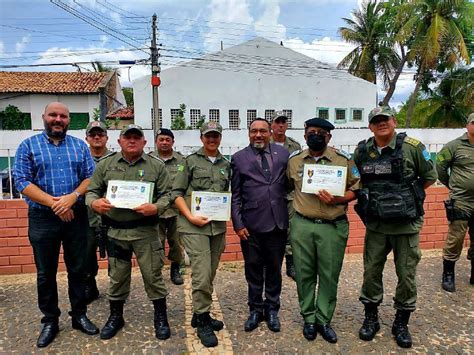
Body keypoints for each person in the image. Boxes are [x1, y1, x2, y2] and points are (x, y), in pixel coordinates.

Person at [13, 102, 98, 348]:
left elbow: (89, 177)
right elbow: (21, 180)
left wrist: (72, 198)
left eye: (63, 116)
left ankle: (79, 315)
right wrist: (55, 204)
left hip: (76, 216)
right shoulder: (28, 146)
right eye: (53, 115)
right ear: (44, 117)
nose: (58, 119)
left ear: (69, 120)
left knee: (78, 269)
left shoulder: (80, 146)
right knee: (45, 273)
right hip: (43, 218)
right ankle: (50, 319)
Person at [353, 106, 437, 349]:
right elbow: (354, 177)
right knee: (370, 273)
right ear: (370, 126)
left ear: (394, 121)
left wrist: (408, 197)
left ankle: (401, 322)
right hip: (377, 225)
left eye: (385, 119)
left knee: (407, 275)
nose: (381, 124)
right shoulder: (361, 151)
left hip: (406, 226)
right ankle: (371, 318)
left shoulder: (413, 147)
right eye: (376, 121)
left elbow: (429, 177)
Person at [86, 124, 172, 341]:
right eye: (128, 137)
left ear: (144, 142)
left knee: (153, 276)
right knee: (116, 278)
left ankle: (160, 317)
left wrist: (157, 207)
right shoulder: (106, 165)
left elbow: (167, 194)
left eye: (137, 137)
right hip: (116, 232)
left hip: (146, 233)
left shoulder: (156, 166)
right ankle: (116, 317)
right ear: (119, 141)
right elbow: (92, 191)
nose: (132, 141)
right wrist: (94, 203)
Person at [287, 118, 360, 343]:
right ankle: (309, 318)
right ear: (304, 135)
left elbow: (356, 188)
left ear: (329, 137)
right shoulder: (294, 161)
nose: (315, 135)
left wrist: (340, 198)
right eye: (311, 132)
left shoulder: (344, 160)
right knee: (304, 274)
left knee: (329, 275)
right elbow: (289, 187)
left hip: (332, 226)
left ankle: (323, 319)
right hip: (302, 224)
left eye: (321, 132)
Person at [171, 121, 230, 348]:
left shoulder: (226, 164)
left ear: (220, 138)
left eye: (215, 135)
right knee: (202, 273)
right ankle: (203, 320)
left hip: (217, 227)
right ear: (201, 137)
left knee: (211, 271)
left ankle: (199, 312)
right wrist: (190, 216)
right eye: (208, 136)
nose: (212, 139)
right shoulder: (190, 162)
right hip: (193, 225)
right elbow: (176, 194)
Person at [231, 118, 290, 333]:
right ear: (248, 133)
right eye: (254, 131)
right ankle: (255, 309)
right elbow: (236, 195)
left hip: (277, 223)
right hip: (251, 226)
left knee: (274, 269)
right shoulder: (238, 158)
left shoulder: (283, 155)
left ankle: (272, 309)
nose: (258, 135)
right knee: (253, 269)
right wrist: (237, 224)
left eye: (263, 131)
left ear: (270, 132)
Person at [436, 112, 474, 291]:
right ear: (467, 125)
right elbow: (440, 166)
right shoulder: (454, 146)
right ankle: (448, 274)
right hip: (461, 200)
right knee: (456, 238)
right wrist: (452, 185)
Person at [84, 121, 114, 304]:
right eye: (93, 134)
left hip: (111, 215)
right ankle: (89, 285)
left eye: (100, 134)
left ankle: (116, 287)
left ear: (106, 137)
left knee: (116, 253)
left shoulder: (116, 158)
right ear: (87, 137)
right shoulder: (81, 157)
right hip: (86, 215)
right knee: (86, 253)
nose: (96, 137)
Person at [150, 128, 185, 285]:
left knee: (176, 243)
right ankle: (155, 272)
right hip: (155, 210)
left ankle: (176, 268)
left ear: (172, 142)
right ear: (156, 141)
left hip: (176, 210)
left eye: (167, 140)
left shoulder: (182, 161)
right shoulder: (148, 159)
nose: (164, 142)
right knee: (156, 242)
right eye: (161, 139)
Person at [270, 111, 302, 280]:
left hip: (289, 193)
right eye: (277, 122)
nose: (281, 125)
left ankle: (290, 260)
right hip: (269, 193)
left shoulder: (294, 146)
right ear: (272, 125)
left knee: (291, 227)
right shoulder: (264, 143)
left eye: (284, 122)